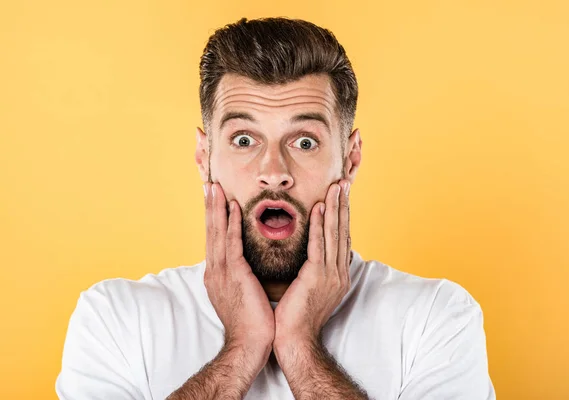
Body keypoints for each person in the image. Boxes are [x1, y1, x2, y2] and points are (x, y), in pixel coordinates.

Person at [56, 17, 495, 400]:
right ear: (204, 157)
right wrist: (242, 348)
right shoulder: (114, 319)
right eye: (244, 140)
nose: (273, 172)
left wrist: (301, 346)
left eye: (305, 142)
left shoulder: (435, 318)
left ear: (351, 158)